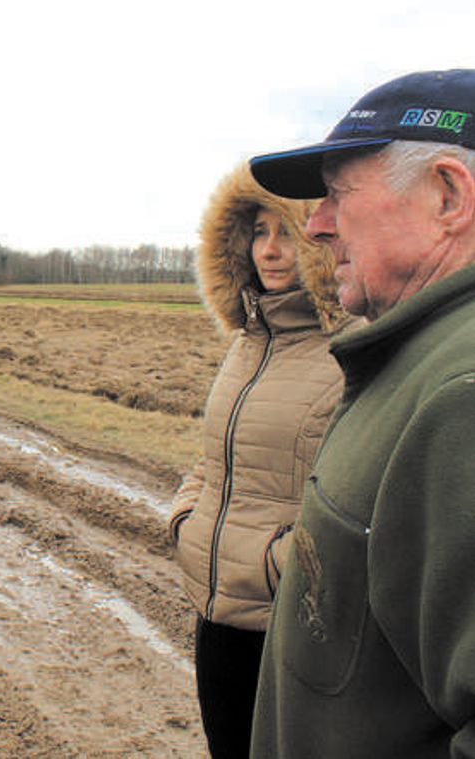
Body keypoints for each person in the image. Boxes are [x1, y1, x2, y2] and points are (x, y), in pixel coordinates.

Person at [246, 68, 475, 757]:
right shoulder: (417, 355)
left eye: (337, 194)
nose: (314, 225)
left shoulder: (461, 394)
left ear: (448, 195)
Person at [167, 163, 356, 757]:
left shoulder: (349, 352)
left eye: (287, 233)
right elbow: (212, 456)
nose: (271, 251)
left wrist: (280, 567)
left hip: (288, 629)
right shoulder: (248, 343)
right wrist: (186, 520)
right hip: (217, 618)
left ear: (320, 242)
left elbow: (351, 491)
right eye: (258, 232)